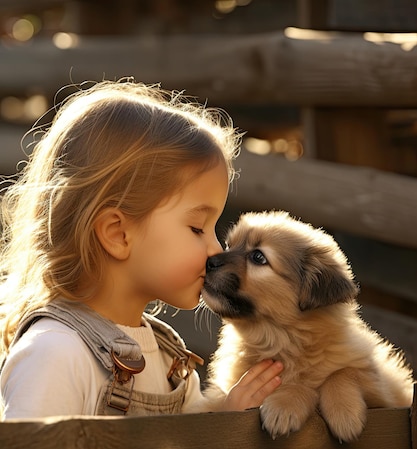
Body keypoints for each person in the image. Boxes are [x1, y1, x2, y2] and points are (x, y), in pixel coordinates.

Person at [0, 79, 283, 420]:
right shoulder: (54, 355)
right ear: (118, 234)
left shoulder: (171, 363)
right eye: (197, 228)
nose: (216, 250)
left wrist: (227, 418)